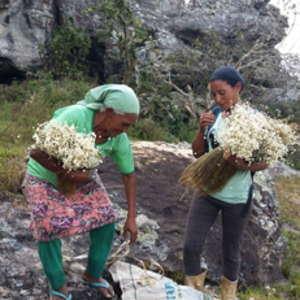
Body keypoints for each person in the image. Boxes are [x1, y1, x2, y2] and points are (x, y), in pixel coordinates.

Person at [25, 84, 140, 300]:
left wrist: (131, 218)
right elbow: (36, 152)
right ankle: (58, 285)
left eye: (130, 126)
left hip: (79, 177)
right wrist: (66, 173)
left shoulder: (117, 139)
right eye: (124, 124)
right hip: (44, 176)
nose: (126, 131)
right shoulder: (75, 117)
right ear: (107, 112)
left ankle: (92, 275)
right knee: (47, 226)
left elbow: (129, 175)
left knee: (106, 220)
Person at [183, 66, 268, 300]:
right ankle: (192, 294)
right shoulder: (214, 116)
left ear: (237, 87)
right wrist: (201, 130)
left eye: (222, 93)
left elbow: (265, 163)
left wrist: (242, 165)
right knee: (191, 246)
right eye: (213, 94)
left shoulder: (255, 120)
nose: (217, 99)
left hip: (237, 199)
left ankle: (227, 297)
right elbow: (198, 154)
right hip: (207, 192)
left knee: (230, 252)